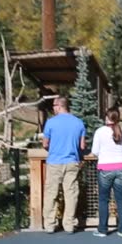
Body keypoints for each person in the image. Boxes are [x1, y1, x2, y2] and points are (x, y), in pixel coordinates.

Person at [42, 96, 86, 234]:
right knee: (71, 193)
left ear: (59, 106)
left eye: (54, 106)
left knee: (51, 193)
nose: (53, 108)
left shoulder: (50, 123)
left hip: (54, 162)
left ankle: (50, 224)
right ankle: (69, 224)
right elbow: (82, 145)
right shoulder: (79, 123)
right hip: (72, 161)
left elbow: (45, 144)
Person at [91, 107, 122, 237]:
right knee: (121, 199)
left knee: (104, 199)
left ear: (107, 117)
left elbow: (95, 151)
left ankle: (102, 229)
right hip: (121, 167)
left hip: (105, 168)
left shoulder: (100, 132)